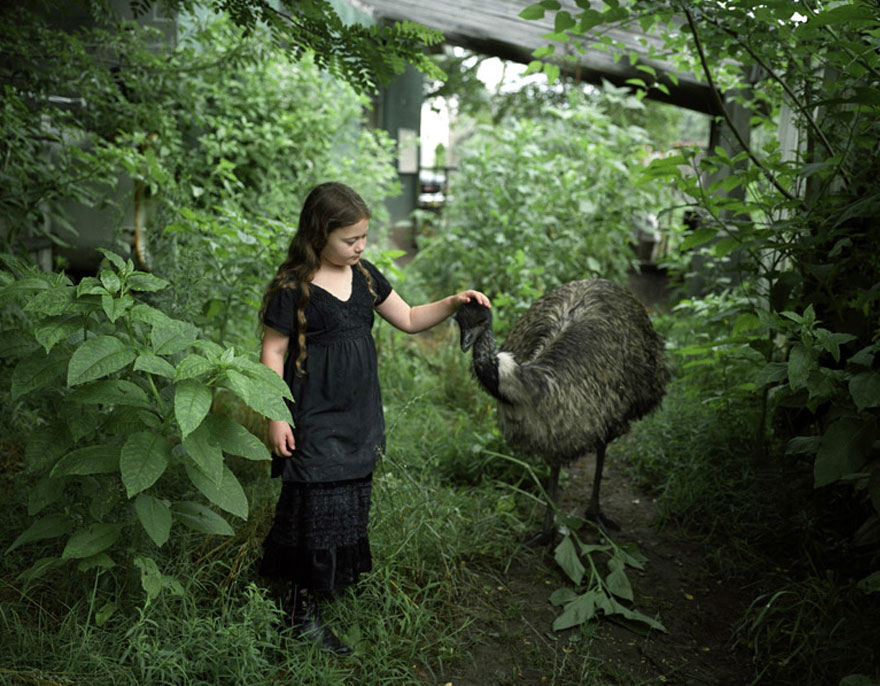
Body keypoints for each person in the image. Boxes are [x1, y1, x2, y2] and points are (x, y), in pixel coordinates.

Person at [258, 182, 490, 655]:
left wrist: (451, 304)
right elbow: (274, 350)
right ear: (318, 234)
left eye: (363, 237)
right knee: (314, 507)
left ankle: (332, 582)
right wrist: (275, 413)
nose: (359, 246)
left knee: (347, 498)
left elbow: (406, 317)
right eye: (350, 239)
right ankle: (300, 613)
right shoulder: (293, 288)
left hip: (358, 414)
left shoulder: (364, 276)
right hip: (313, 413)